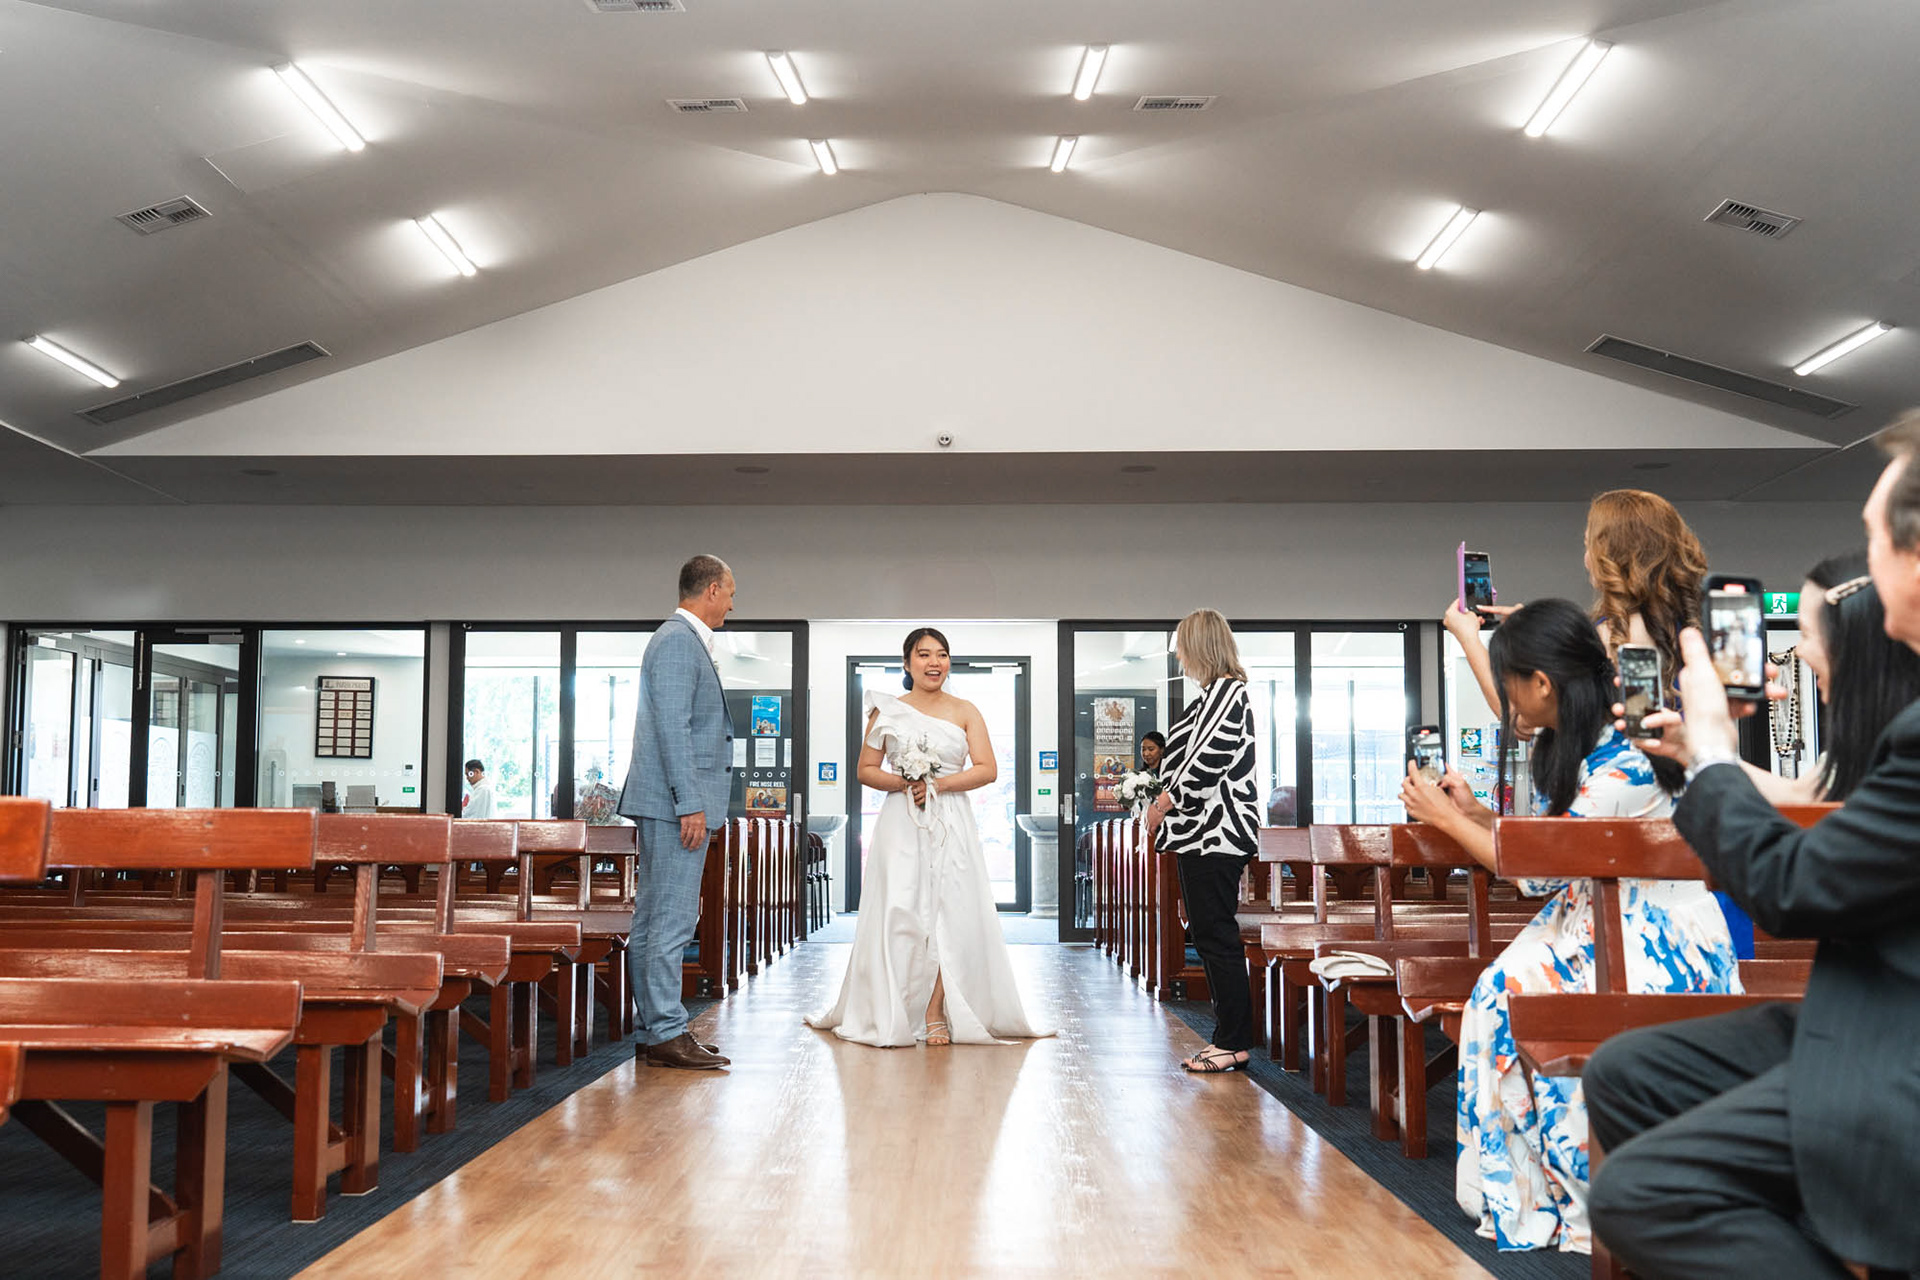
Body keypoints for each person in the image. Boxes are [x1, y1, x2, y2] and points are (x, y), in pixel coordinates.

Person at [1586, 413, 1920, 1279]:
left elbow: (1795, 890)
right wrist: (1706, 758)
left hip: (1896, 1041)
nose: (1800, 653)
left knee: (1640, 1193)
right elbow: (1838, 827)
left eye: (1872, 537)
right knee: (1628, 1072)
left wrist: (1710, 757)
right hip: (1869, 1007)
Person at [1399, 598, 1740, 1254]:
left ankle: (1569, 1191)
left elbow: (1539, 874)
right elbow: (1552, 846)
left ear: (1542, 684)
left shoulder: (1623, 762)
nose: (1507, 702)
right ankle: (1531, 1187)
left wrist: (1448, 821)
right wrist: (1476, 813)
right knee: (1498, 995)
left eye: (1509, 684)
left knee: (1509, 1000)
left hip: (1656, 940)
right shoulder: (1591, 743)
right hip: (1609, 917)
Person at [808, 627, 1051, 1048]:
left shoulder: (966, 710)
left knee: (948, 912)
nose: (934, 662)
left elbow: (987, 768)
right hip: (901, 821)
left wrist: (938, 785)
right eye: (923, 655)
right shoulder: (886, 710)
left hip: (951, 819)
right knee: (900, 909)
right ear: (907, 663)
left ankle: (936, 1009)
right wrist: (906, 783)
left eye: (941, 654)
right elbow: (866, 769)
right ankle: (893, 1004)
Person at [1629, 550, 1920, 806]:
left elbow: (1784, 852)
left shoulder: (1908, 755)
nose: (1799, 651)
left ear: (1852, 643)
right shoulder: (1864, 747)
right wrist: (1691, 747)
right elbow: (1800, 796)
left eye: (1807, 634)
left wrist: (1711, 751)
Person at [617, 554, 737, 1071]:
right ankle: (665, 1029)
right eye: (730, 593)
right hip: (674, 806)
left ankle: (655, 1029)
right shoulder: (676, 641)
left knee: (656, 919)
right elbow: (673, 728)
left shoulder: (680, 641)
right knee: (671, 920)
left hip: (668, 802)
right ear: (711, 590)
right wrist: (690, 802)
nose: (731, 604)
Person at [1449, 488, 1709, 719]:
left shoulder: (1616, 635)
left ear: (1613, 555)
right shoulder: (1688, 628)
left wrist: (1468, 638)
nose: (1586, 559)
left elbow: (1521, 719)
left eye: (1589, 547)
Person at [1142, 609, 1261, 1073]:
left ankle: (1232, 1041)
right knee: (1210, 935)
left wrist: (1164, 802)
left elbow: (1208, 758)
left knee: (1216, 936)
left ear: (1201, 648)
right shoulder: (1214, 695)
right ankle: (1228, 1037)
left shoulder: (1228, 693)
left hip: (1216, 833)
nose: (1180, 658)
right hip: (1202, 835)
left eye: (1183, 649)